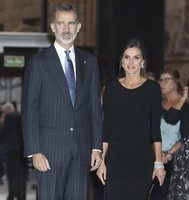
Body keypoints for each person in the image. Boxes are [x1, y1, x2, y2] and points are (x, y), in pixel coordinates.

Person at [21, 3, 103, 200]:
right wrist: (35, 151)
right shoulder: (38, 63)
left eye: (71, 23)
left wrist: (96, 147)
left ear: (78, 27)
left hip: (81, 151)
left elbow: (94, 107)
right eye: (61, 23)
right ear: (52, 27)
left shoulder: (89, 62)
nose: (66, 29)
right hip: (49, 153)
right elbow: (29, 109)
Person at [96, 38, 165, 200]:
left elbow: (156, 130)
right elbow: (107, 127)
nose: (131, 62)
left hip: (142, 160)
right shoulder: (111, 87)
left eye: (136, 57)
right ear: (121, 61)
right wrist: (102, 161)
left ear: (143, 62)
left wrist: (158, 163)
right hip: (115, 160)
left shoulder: (152, 89)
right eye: (127, 57)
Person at [166, 72, 189, 200]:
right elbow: (170, 118)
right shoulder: (186, 108)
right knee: (180, 192)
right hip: (183, 159)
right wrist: (183, 98)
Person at [153, 67, 183, 200]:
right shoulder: (157, 104)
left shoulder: (187, 104)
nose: (162, 83)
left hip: (178, 157)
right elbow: (151, 131)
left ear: (176, 82)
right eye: (160, 80)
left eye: (166, 80)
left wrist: (170, 152)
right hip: (158, 156)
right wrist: (159, 154)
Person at [0, 102, 27, 200]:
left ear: (7, 110)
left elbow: (2, 134)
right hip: (20, 150)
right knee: (19, 174)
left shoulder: (7, 119)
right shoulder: (19, 116)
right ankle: (20, 195)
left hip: (10, 150)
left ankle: (12, 194)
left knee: (11, 174)